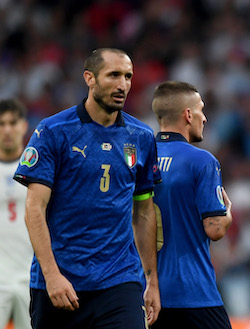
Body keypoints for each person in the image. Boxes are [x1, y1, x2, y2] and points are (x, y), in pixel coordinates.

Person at [13, 48, 162, 329]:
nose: (123, 85)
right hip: (60, 282)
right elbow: (34, 208)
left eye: (128, 76)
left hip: (119, 280)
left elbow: (144, 212)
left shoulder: (141, 136)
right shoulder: (53, 131)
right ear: (89, 78)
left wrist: (151, 281)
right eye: (114, 75)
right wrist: (52, 275)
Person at [150, 81, 233, 329]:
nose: (204, 118)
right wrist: (228, 213)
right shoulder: (202, 161)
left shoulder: (139, 158)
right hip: (192, 292)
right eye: (201, 110)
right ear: (188, 114)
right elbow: (215, 228)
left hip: (147, 293)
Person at [0, 99, 31, 329]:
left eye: (12, 123)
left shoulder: (40, 171)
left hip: (31, 279)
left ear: (24, 126)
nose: (7, 130)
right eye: (1, 124)